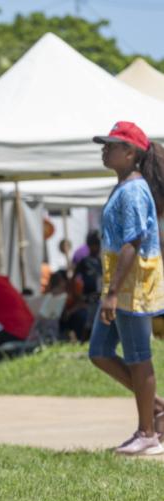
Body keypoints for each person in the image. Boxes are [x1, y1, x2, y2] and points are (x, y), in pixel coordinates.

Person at [89, 122, 164, 454]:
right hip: (121, 285)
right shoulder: (124, 187)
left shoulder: (133, 190)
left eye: (111, 145)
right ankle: (157, 410)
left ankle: (147, 433)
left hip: (132, 287)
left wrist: (113, 292)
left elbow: (133, 242)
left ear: (131, 153)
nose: (105, 149)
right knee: (99, 352)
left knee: (138, 356)